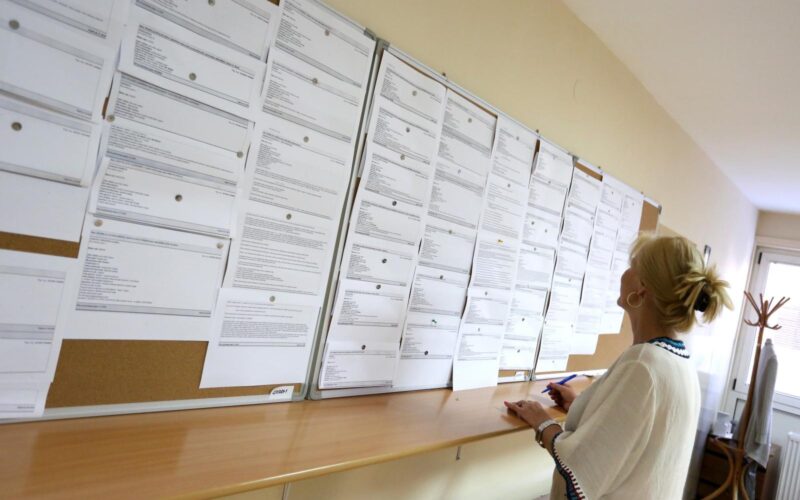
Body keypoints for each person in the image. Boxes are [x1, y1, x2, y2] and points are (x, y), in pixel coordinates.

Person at [504, 234, 733, 499]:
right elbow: (635, 431)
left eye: (632, 265)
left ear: (643, 288)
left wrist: (541, 420)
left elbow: (581, 464)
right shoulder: (677, 361)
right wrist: (582, 405)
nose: (624, 273)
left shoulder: (643, 363)